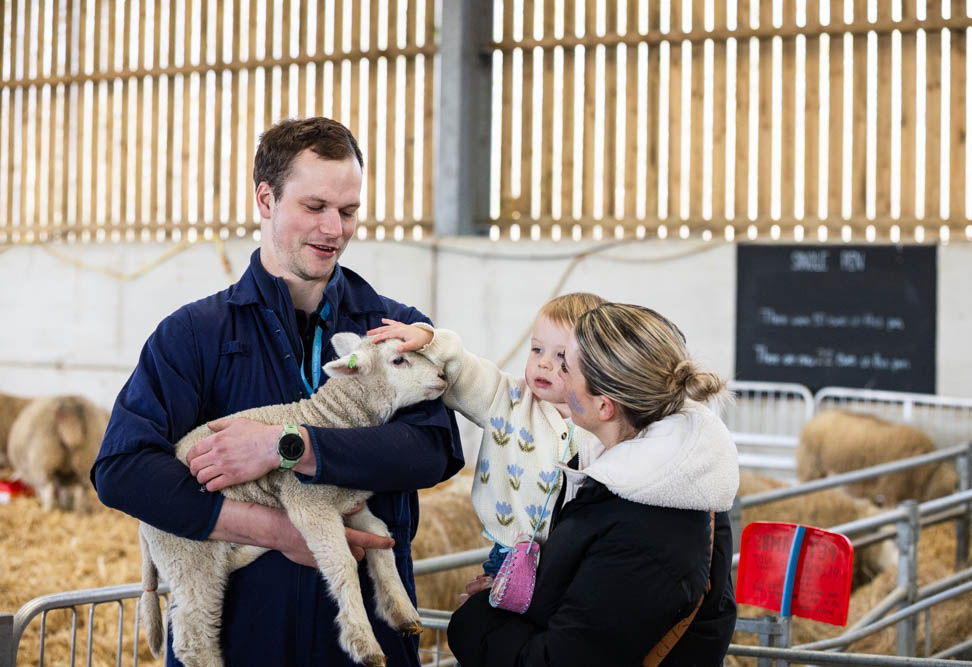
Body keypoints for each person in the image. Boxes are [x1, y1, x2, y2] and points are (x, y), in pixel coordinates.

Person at [91, 117, 463, 666]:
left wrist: (289, 445)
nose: (334, 228)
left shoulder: (395, 330)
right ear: (265, 200)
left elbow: (434, 449)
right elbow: (122, 468)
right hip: (244, 640)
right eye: (315, 207)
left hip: (366, 647)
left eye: (349, 210)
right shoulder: (194, 335)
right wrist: (277, 529)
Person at [446, 303, 740, 666]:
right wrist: (520, 596)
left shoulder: (648, 530)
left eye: (567, 368)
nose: (556, 374)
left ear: (604, 407)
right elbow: (590, 601)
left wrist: (477, 620)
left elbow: (566, 656)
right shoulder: (633, 476)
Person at [368, 293, 606, 602]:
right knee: (504, 630)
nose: (544, 363)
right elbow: (465, 370)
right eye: (537, 349)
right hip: (511, 555)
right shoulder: (507, 400)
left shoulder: (603, 421)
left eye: (561, 356)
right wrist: (429, 341)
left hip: (581, 557)